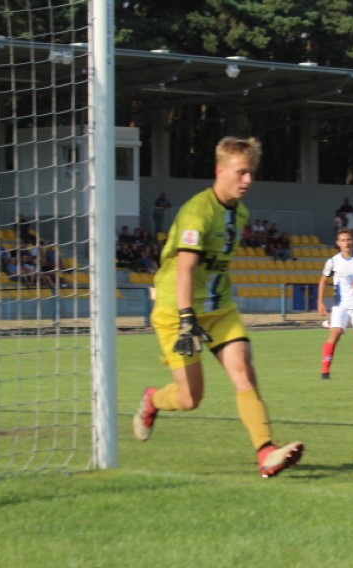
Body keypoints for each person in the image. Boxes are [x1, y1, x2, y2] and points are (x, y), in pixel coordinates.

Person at [132, 136, 303, 478]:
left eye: (251, 172)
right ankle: (152, 400)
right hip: (177, 311)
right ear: (220, 170)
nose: (248, 180)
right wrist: (186, 319)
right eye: (241, 172)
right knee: (190, 398)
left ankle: (266, 450)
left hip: (220, 307)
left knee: (243, 369)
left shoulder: (240, 212)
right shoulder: (197, 212)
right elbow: (185, 269)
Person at [317, 228, 353, 380]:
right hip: (341, 305)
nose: (346, 243)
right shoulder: (333, 261)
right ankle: (325, 372)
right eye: (343, 240)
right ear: (338, 243)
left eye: (349, 239)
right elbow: (323, 280)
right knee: (335, 333)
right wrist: (320, 302)